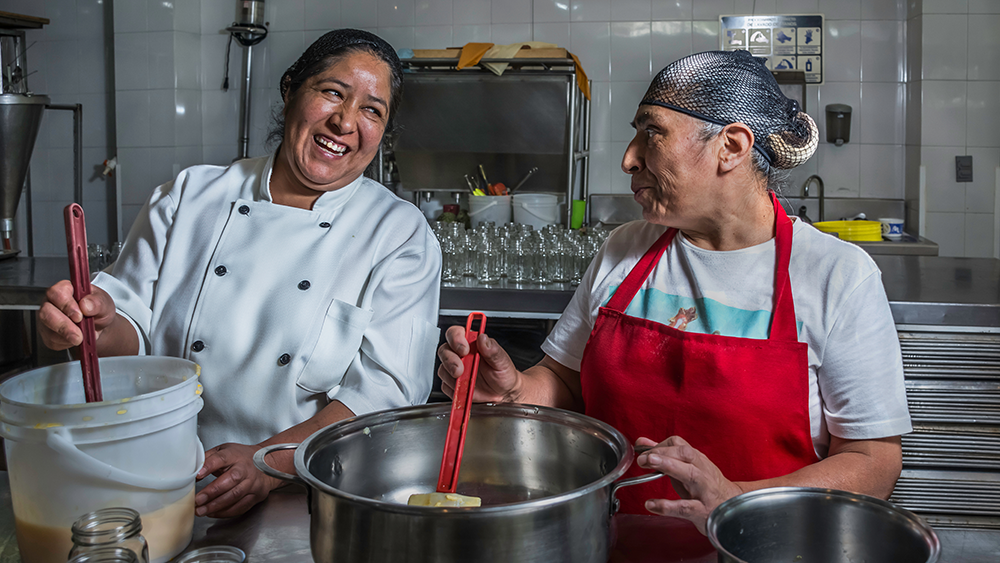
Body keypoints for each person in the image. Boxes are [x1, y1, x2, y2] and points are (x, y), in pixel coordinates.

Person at [437, 50, 910, 534]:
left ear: (731, 146)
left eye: (652, 133)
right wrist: (515, 391)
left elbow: (874, 460)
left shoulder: (837, 275)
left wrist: (737, 501)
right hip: (609, 540)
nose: (629, 157)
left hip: (760, 544)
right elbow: (565, 379)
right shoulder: (626, 249)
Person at [38, 30, 441, 518]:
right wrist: (96, 327)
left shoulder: (397, 232)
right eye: (332, 92)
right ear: (291, 87)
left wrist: (269, 461)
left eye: (371, 110)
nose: (345, 121)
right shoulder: (191, 195)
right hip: (166, 479)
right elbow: (133, 334)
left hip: (314, 496)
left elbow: (386, 391)